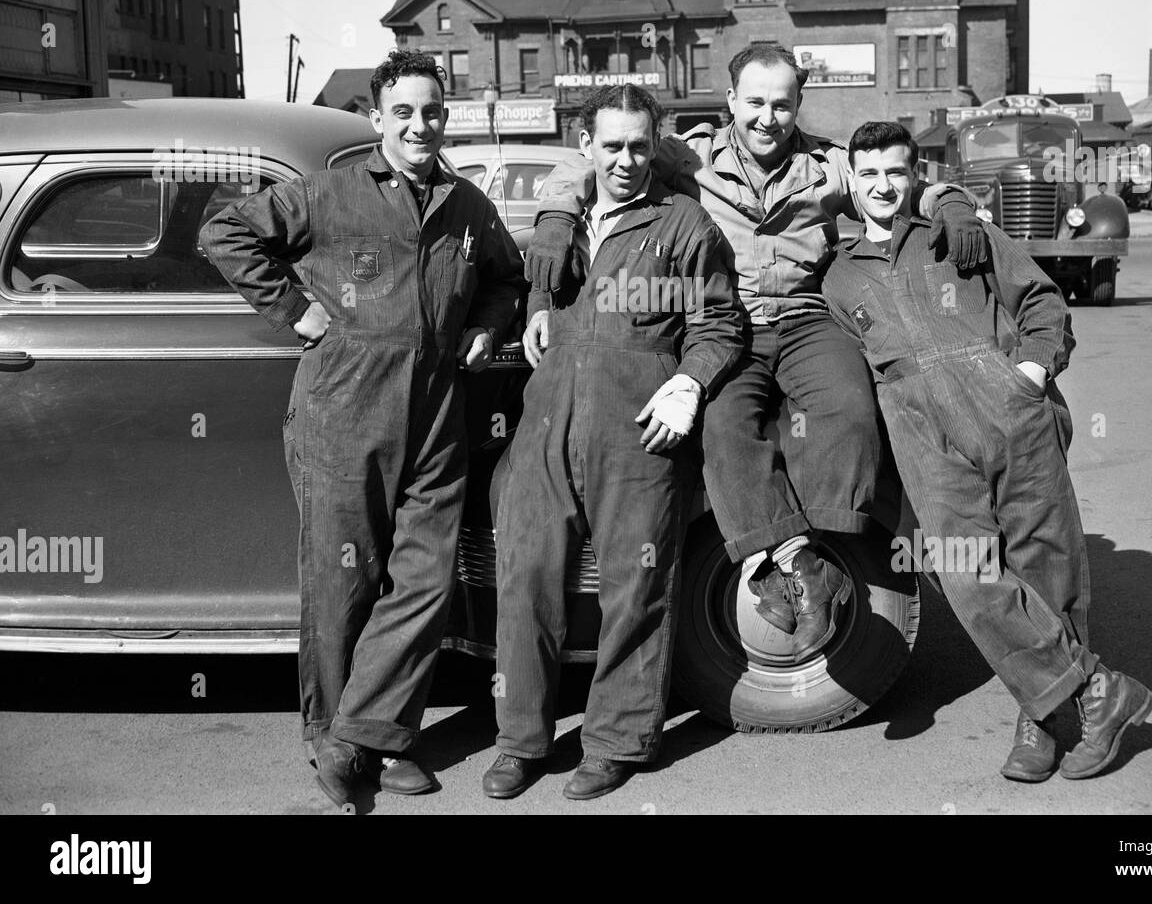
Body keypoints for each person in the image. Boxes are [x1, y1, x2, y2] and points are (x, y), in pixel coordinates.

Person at [527, 44, 987, 657]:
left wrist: (952, 205)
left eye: (781, 105)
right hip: (729, 323)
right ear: (730, 102)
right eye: (754, 103)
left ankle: (822, 555)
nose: (767, 117)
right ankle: (781, 562)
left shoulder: (827, 166)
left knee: (849, 411)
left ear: (798, 105)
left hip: (805, 318)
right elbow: (598, 154)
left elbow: (902, 183)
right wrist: (556, 219)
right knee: (723, 427)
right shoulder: (686, 154)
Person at [201, 49, 526, 807]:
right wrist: (299, 311)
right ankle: (331, 741)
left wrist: (487, 321)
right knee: (344, 581)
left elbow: (506, 275)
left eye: (433, 111)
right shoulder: (328, 193)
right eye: (404, 112)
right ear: (379, 117)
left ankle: (369, 735)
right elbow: (226, 232)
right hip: (345, 411)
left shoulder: (466, 203)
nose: (420, 125)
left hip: (438, 414)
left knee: (423, 579)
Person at [822, 120, 1152, 781]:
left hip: (1007, 409)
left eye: (895, 171)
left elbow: (1041, 301)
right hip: (923, 433)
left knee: (1045, 565)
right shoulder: (839, 279)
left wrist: (1028, 375)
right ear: (853, 183)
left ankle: (1043, 718)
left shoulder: (957, 234)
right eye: (870, 175)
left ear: (914, 175)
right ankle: (1097, 691)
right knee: (965, 574)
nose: (883, 185)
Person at [484, 84, 743, 801]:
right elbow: (533, 289)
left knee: (636, 585)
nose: (626, 160)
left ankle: (615, 741)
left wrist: (688, 383)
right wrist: (538, 305)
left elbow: (720, 324)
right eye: (612, 145)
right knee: (525, 573)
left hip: (638, 428)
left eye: (639, 145)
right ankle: (521, 740)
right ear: (585, 147)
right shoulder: (562, 224)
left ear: (654, 146)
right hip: (548, 418)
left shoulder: (684, 224)